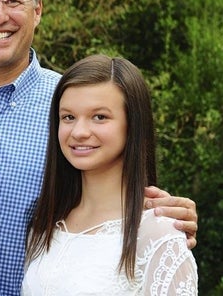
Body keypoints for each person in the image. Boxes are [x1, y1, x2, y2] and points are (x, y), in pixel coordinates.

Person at [0, 0, 199, 295]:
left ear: (38, 10)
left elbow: (120, 202)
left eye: (14, 1)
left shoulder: (72, 107)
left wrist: (161, 220)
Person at [23, 54, 198, 294]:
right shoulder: (44, 224)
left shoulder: (157, 233)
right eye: (68, 117)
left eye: (100, 117)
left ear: (132, 124)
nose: (79, 131)